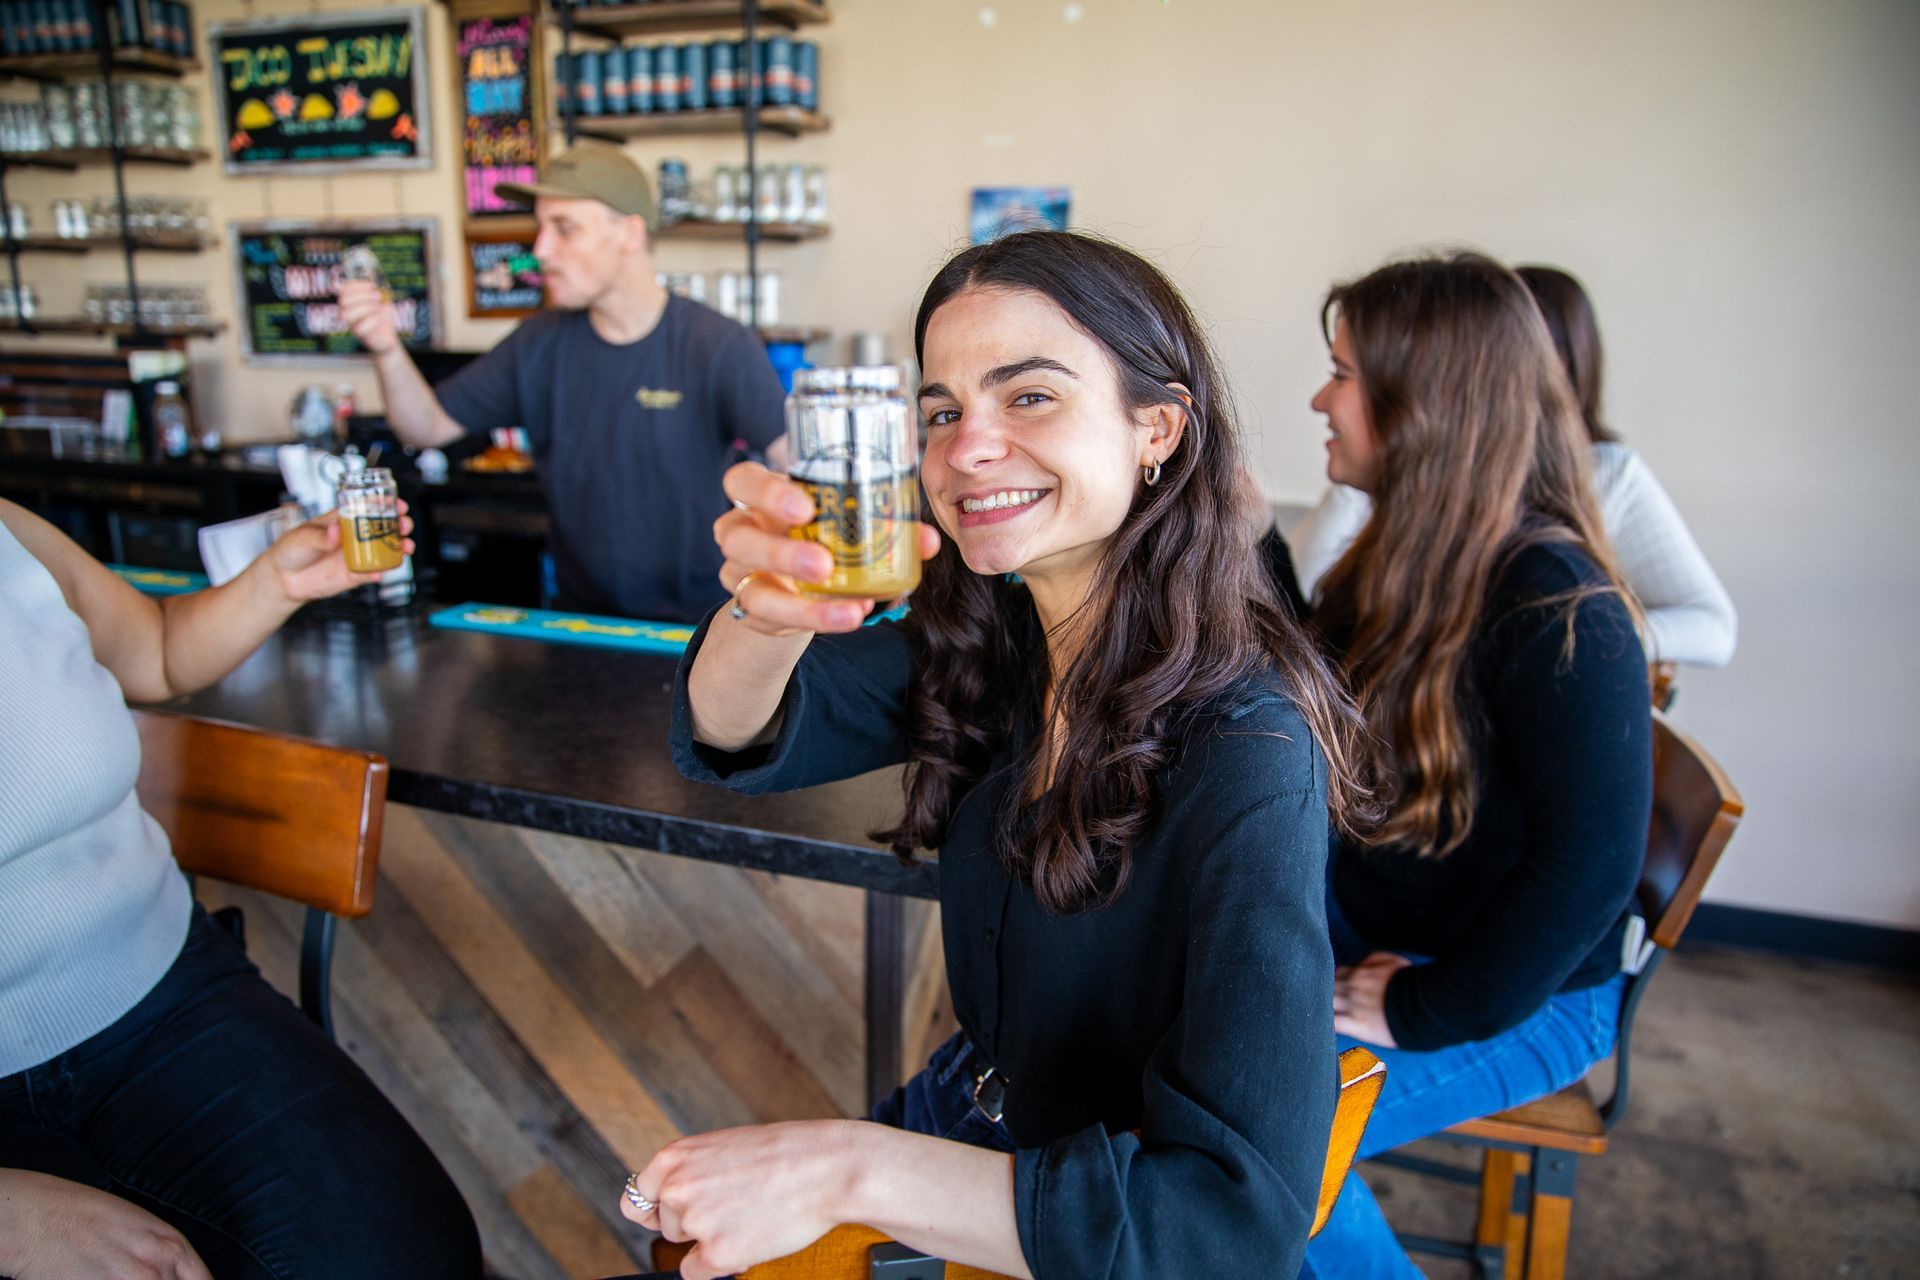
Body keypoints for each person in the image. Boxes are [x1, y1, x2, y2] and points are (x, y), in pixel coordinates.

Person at [623, 231, 1379, 1280]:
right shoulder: (1004, 634)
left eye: (1028, 396)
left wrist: (851, 1166)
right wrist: (767, 611)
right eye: (942, 410)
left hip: (1076, 1218)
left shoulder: (1248, 746)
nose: (966, 446)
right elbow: (733, 731)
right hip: (964, 1120)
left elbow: (1225, 1230)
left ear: (1156, 428)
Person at [0, 498, 483, 1280]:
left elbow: (155, 651)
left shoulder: (8, 534)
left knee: (409, 1253)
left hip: (164, 993)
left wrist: (276, 584)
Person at [1296, 254, 1653, 1278]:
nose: (1322, 398)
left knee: (1262, 1135)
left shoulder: (1553, 599)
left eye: (1343, 373)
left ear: (1426, 405)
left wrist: (1426, 1008)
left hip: (1526, 998)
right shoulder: (1403, 555)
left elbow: (1588, 868)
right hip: (1401, 946)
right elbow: (1311, 699)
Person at [339, 139, 789, 622]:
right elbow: (423, 427)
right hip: (579, 625)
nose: (540, 250)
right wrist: (386, 348)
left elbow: (796, 469)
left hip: (704, 629)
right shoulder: (539, 343)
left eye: (565, 229)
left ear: (629, 234)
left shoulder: (716, 344)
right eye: (541, 228)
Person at [1286, 262, 1737, 668]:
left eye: (1341, 375)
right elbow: (1313, 644)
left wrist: (1590, 641)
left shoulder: (1550, 589)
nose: (1319, 400)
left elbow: (1712, 626)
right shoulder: (1406, 537)